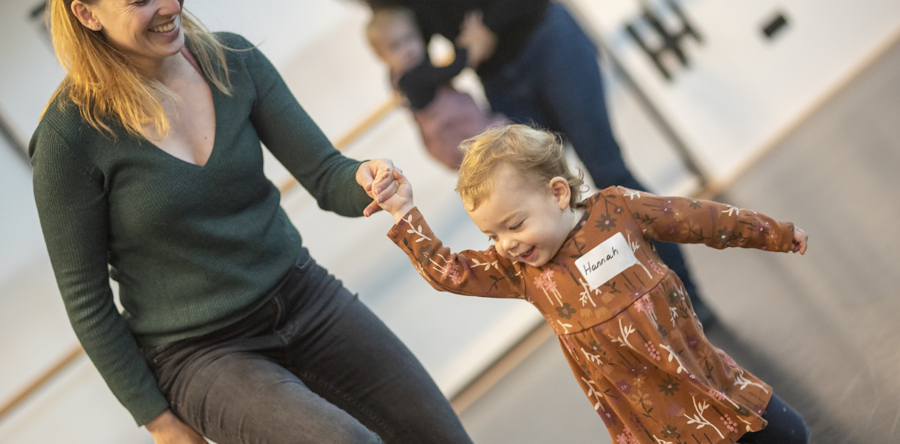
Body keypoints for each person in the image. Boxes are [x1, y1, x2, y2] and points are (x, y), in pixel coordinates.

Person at [30, 1, 473, 443]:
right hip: (200, 353)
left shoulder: (232, 61)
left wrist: (367, 178)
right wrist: (160, 421)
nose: (168, 6)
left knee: (441, 435)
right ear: (87, 14)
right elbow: (87, 302)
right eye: (139, 1)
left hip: (302, 294)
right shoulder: (68, 138)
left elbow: (324, 173)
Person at [368, 124, 810, 444]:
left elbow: (697, 218)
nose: (506, 244)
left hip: (700, 369)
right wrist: (405, 214)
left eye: (515, 224)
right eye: (492, 236)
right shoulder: (524, 272)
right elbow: (452, 272)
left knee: (791, 435)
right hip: (654, 414)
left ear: (558, 193)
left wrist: (774, 233)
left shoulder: (617, 210)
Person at [360, 0, 717, 325]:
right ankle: (625, 321)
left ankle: (686, 298)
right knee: (545, 212)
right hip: (500, 82)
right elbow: (416, 56)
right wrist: (417, 77)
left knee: (609, 172)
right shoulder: (398, 6)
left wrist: (485, 30)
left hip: (549, 41)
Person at [365, 7, 505, 169]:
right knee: (497, 151)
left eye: (410, 37)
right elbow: (451, 70)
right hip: (454, 131)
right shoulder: (412, 78)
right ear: (381, 56)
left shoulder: (400, 76)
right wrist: (468, 46)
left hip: (459, 128)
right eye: (395, 46)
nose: (407, 49)